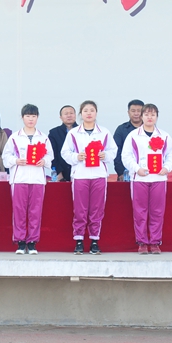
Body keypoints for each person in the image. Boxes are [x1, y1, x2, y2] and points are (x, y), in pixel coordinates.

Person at [61, 100, 117, 255]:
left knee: (97, 209)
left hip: (99, 175)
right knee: (80, 209)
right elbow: (65, 152)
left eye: (92, 110)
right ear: (81, 114)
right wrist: (76, 157)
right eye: (85, 110)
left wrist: (105, 155)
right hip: (80, 175)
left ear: (96, 113)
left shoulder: (104, 132)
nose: (89, 113)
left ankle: (94, 240)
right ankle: (79, 240)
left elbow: (113, 150)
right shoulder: (74, 133)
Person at [121, 104, 172, 254]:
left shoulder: (164, 136)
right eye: (146, 114)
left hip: (159, 178)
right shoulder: (133, 135)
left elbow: (171, 155)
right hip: (139, 179)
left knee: (157, 211)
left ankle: (155, 242)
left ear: (157, 117)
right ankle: (142, 242)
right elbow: (126, 156)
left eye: (153, 114)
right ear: (142, 116)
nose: (149, 117)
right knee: (140, 212)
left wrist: (167, 168)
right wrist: (136, 168)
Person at [2, 104, 53, 255]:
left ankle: (32, 242)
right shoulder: (15, 137)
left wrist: (44, 161)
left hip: (37, 179)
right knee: (19, 211)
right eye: (28, 116)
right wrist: (16, 161)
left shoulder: (43, 137)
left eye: (33, 116)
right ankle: (20, 242)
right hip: (20, 179)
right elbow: (6, 157)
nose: (31, 119)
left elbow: (50, 155)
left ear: (37, 117)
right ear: (22, 117)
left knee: (35, 211)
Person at [113, 99, 144, 180]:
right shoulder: (121, 129)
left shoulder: (151, 130)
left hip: (146, 173)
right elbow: (116, 151)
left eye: (139, 111)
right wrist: (121, 172)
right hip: (126, 174)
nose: (136, 113)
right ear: (128, 112)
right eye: (133, 111)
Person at [48, 105, 78, 182]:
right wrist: (58, 172)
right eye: (66, 113)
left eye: (71, 113)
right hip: (62, 172)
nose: (69, 115)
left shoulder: (82, 131)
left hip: (80, 171)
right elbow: (52, 154)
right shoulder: (54, 133)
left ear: (75, 115)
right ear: (61, 117)